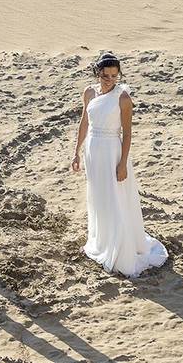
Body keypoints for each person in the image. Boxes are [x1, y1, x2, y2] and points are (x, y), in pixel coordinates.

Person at [71, 53, 167, 277]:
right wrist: (76, 152)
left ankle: (119, 245)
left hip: (112, 150)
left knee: (115, 196)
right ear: (98, 73)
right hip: (93, 151)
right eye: (105, 76)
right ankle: (102, 240)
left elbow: (128, 133)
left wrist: (123, 163)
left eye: (114, 75)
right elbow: (85, 122)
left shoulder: (123, 98)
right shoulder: (89, 92)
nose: (110, 80)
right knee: (99, 195)